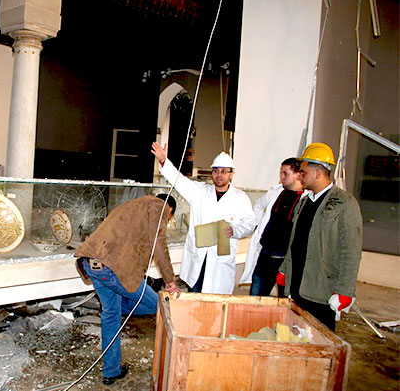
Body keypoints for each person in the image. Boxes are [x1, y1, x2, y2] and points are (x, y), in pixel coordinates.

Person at [74, 194, 180, 385]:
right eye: (169, 216)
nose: (167, 219)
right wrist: (170, 280)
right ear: (169, 210)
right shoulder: (158, 208)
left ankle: (111, 371)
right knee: (158, 306)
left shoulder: (133, 205)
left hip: (92, 263)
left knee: (111, 313)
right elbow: (159, 243)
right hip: (113, 269)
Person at [277, 143, 362, 331]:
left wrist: (345, 290)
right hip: (297, 286)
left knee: (320, 341)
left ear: (318, 172)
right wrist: (285, 269)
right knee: (295, 335)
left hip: (321, 290)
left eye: (303, 171)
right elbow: (295, 242)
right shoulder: (304, 202)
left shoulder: (344, 204)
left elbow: (351, 251)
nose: (300, 175)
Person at [151, 142, 255, 294]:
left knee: (216, 303)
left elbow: (250, 222)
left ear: (231, 174)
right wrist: (163, 161)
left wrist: (234, 230)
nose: (219, 175)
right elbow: (179, 180)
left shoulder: (240, 197)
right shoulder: (199, 191)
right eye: (216, 171)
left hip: (221, 261)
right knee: (194, 296)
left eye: (224, 171)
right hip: (198, 258)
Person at [240, 158, 305, 296]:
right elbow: (258, 205)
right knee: (256, 297)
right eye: (281, 173)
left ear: (298, 174)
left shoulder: (305, 199)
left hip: (285, 260)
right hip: (265, 254)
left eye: (285, 173)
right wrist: (256, 227)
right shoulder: (277, 192)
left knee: (285, 299)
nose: (281, 177)